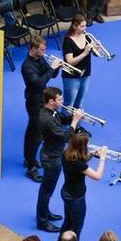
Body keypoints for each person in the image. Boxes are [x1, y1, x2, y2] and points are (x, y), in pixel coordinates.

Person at [36, 87, 84, 232]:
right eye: (60, 99)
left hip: (52, 154)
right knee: (46, 191)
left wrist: (74, 116)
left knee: (47, 190)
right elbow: (66, 136)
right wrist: (75, 121)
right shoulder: (47, 119)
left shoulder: (50, 111)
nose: (62, 101)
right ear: (51, 101)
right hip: (51, 158)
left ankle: (45, 213)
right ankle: (42, 221)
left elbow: (61, 118)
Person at [22, 37, 62, 182]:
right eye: (42, 50)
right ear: (33, 49)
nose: (44, 52)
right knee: (36, 136)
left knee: (31, 132)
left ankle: (28, 159)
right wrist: (52, 69)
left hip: (41, 99)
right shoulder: (27, 66)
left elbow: (50, 75)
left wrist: (57, 67)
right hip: (34, 101)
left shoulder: (40, 59)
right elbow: (39, 83)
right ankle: (31, 168)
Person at [60, 132, 107, 238]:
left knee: (67, 222)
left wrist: (92, 154)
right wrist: (103, 158)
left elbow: (82, 161)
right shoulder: (78, 164)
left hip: (66, 191)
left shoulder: (66, 153)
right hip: (76, 198)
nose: (89, 146)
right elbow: (97, 176)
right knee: (76, 227)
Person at [62, 15, 96, 109]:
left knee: (79, 104)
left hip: (85, 74)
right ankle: (66, 124)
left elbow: (94, 53)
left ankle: (76, 123)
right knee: (69, 105)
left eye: (85, 26)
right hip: (72, 77)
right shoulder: (67, 41)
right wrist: (84, 53)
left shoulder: (86, 37)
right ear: (74, 26)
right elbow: (70, 62)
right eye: (81, 26)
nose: (84, 29)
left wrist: (95, 48)